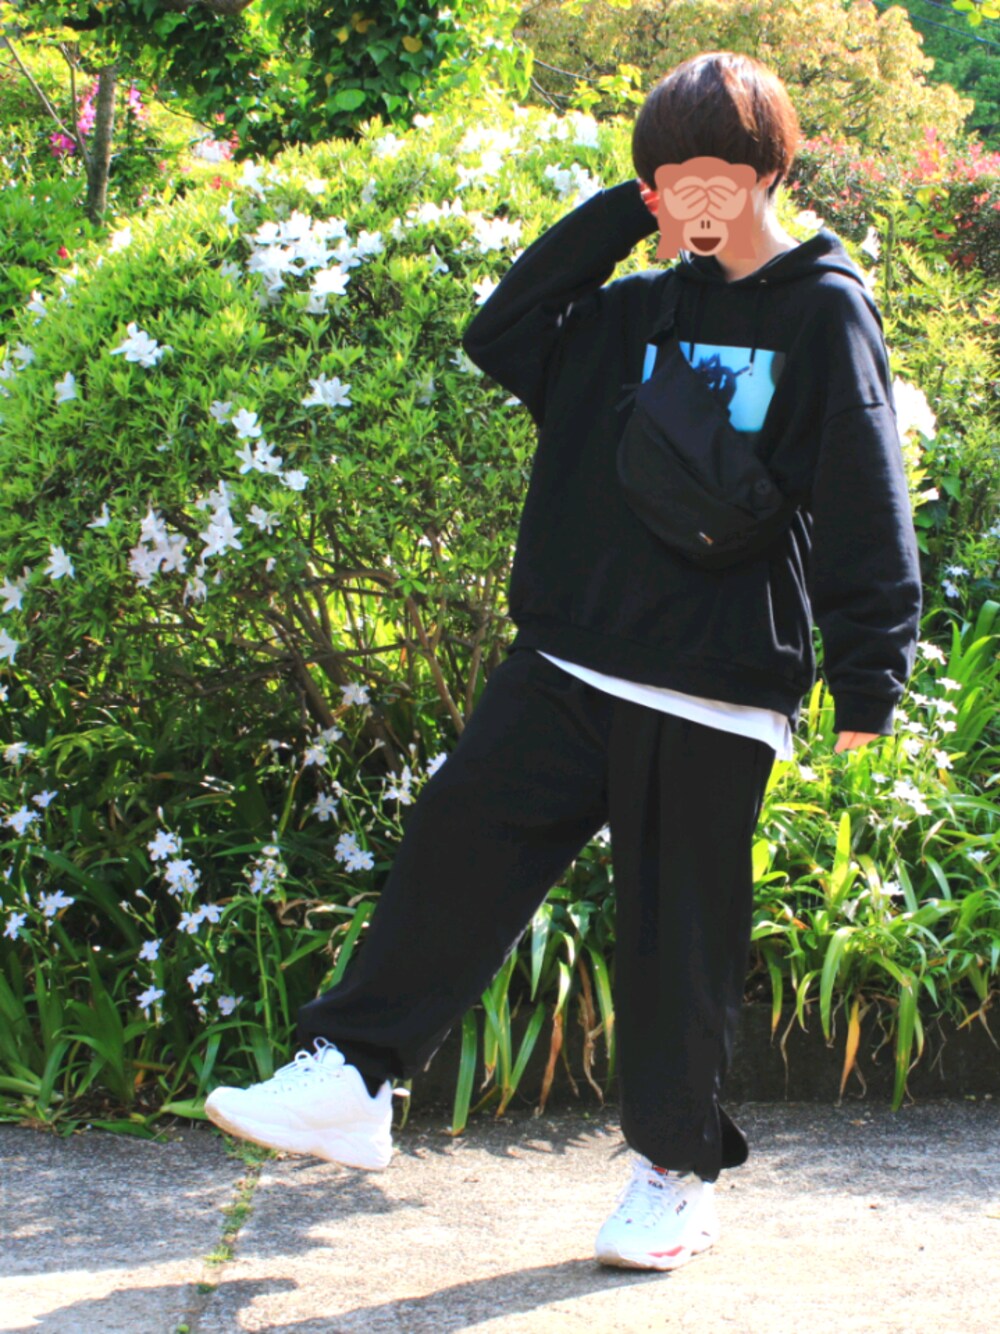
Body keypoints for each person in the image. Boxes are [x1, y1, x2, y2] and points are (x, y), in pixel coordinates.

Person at [205, 51, 923, 1271]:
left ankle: (674, 1178)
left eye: (721, 173)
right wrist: (619, 216)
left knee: (674, 939)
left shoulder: (820, 308)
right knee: (457, 843)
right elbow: (501, 331)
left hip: (713, 680)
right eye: (674, 177)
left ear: (769, 175)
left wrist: (868, 675)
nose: (700, 197)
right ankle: (352, 1076)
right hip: (572, 654)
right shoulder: (629, 313)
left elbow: (866, 488)